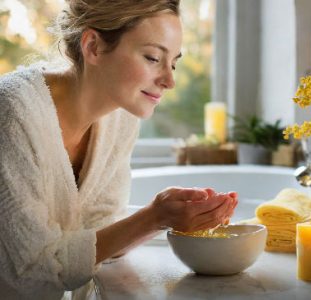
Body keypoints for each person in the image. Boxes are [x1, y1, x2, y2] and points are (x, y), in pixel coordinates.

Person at [0, 0, 238, 299]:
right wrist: (153, 217)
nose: (170, 80)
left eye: (174, 62)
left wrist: (168, 215)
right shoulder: (12, 113)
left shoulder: (121, 116)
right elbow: (32, 269)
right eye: (153, 58)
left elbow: (100, 237)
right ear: (93, 46)